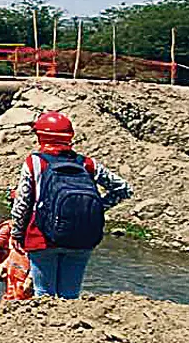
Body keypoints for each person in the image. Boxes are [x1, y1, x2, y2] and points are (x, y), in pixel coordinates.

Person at [10, 111, 133, 299]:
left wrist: (17, 233)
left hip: (41, 238)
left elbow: (22, 203)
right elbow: (123, 189)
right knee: (70, 295)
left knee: (44, 296)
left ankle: (48, 328)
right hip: (82, 237)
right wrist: (95, 209)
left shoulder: (35, 162)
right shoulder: (87, 163)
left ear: (41, 137)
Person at [0, 189, 33, 302]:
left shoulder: (28, 229)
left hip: (23, 268)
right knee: (13, 291)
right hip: (15, 266)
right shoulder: (9, 227)